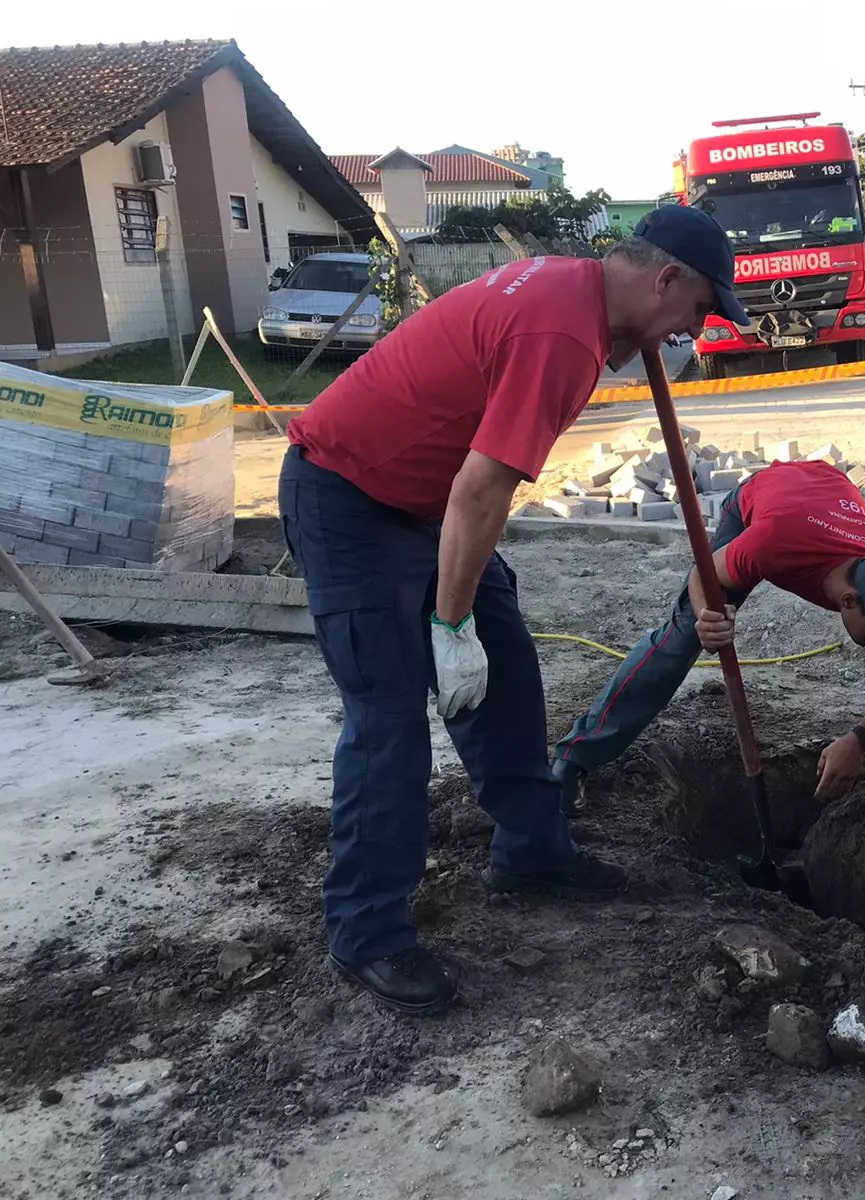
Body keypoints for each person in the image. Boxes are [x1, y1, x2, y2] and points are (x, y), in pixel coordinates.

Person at [278, 206, 749, 1016]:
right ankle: (367, 931)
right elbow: (484, 489)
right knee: (389, 716)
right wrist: (449, 626)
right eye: (697, 310)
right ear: (664, 278)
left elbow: (468, 489)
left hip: (423, 499)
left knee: (508, 670)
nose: (688, 333)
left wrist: (466, 616)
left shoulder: (579, 296)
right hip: (348, 496)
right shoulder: (563, 336)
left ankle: (531, 850)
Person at [554, 460, 865, 804]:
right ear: (849, 601)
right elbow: (704, 571)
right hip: (765, 499)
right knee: (687, 633)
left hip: (827, 490)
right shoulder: (771, 544)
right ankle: (576, 756)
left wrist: (862, 738)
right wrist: (708, 614)